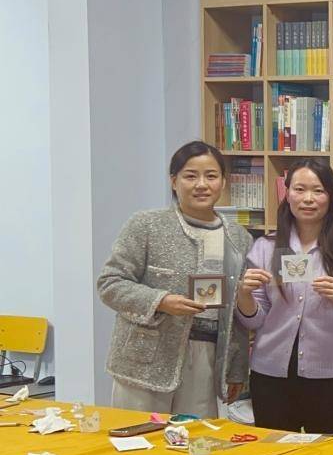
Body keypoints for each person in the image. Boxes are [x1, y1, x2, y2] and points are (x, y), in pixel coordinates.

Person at [97, 141, 252, 418]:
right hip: (145, 359)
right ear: (173, 181)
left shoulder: (239, 237)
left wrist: (236, 369)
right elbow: (110, 283)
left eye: (211, 176)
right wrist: (161, 301)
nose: (201, 184)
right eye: (190, 176)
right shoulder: (146, 225)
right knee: (140, 436)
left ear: (223, 182)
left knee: (195, 436)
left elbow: (236, 314)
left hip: (207, 358)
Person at [235, 159, 333, 437]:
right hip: (270, 376)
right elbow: (254, 320)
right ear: (287, 194)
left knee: (329, 453)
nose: (308, 199)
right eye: (299, 189)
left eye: (318, 191)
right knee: (274, 453)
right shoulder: (266, 247)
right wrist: (244, 295)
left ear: (331, 197)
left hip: (332, 376)